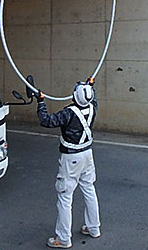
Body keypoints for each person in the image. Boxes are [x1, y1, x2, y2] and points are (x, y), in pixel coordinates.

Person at [36, 78, 101, 249]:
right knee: (89, 189)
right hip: (87, 154)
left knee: (65, 196)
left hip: (71, 158)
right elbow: (92, 97)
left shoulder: (69, 113)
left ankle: (63, 239)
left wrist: (41, 101)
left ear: (75, 95)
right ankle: (93, 228)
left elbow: (46, 121)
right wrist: (90, 86)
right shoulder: (92, 107)